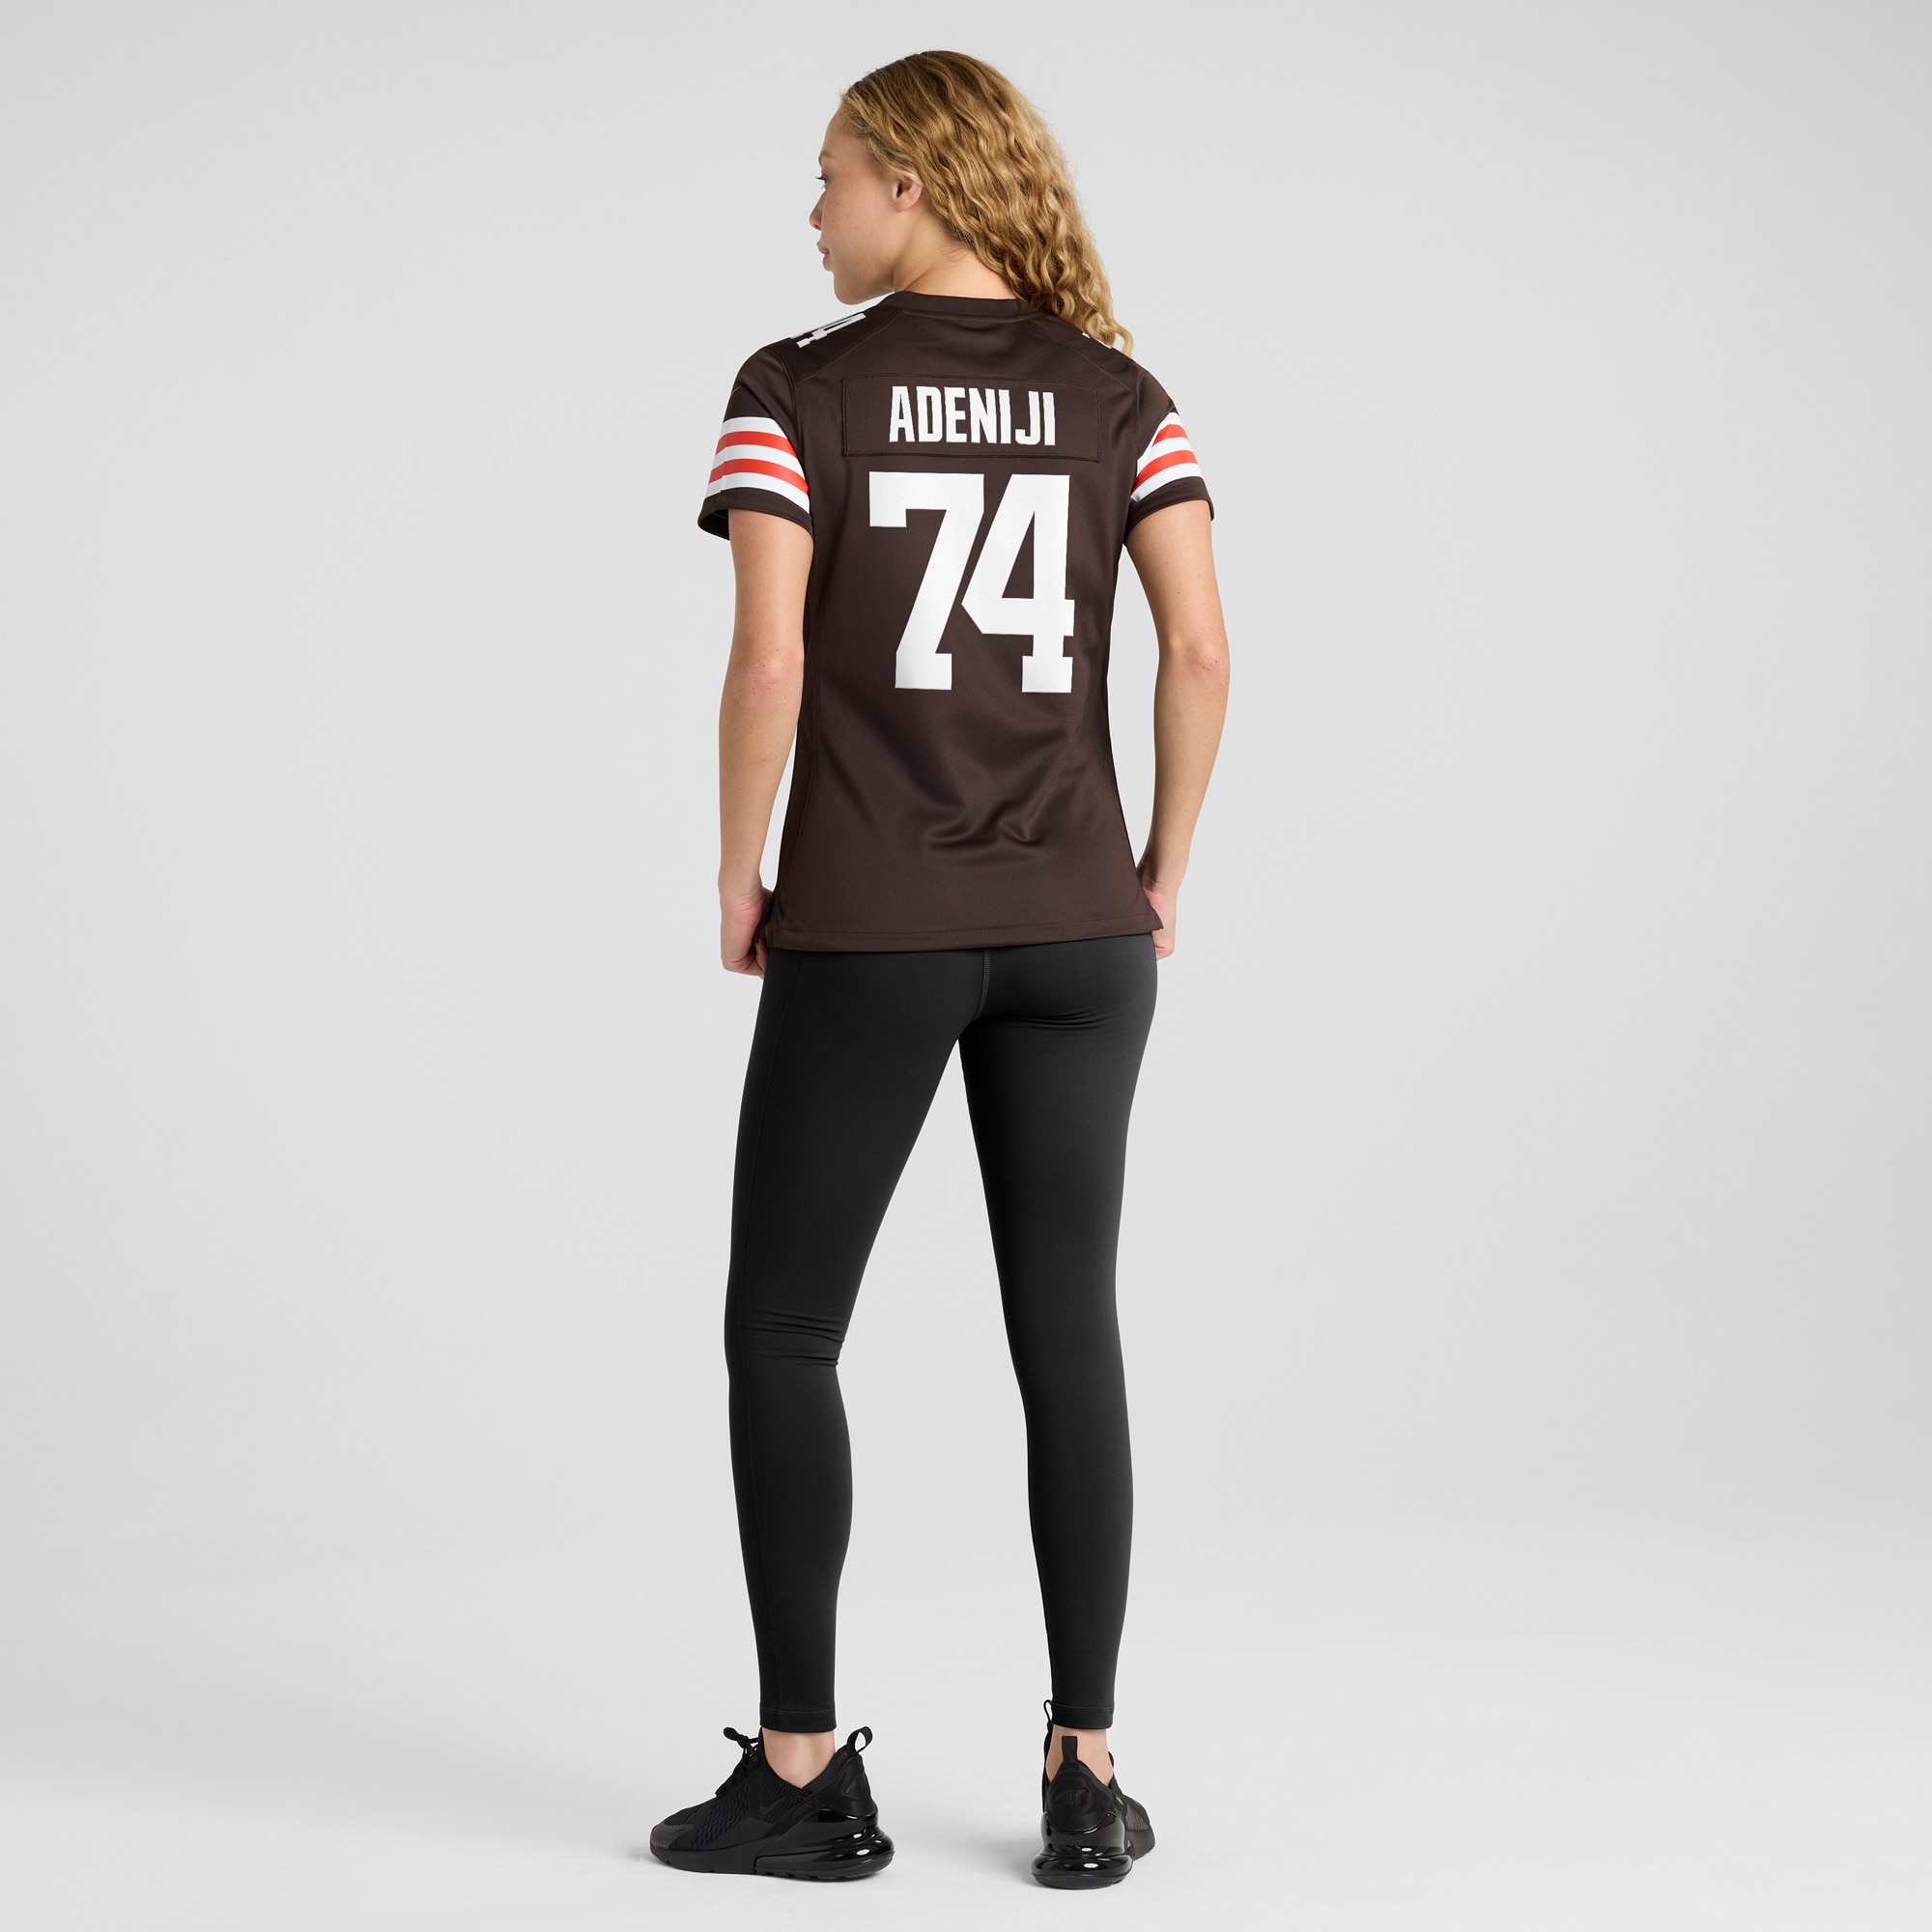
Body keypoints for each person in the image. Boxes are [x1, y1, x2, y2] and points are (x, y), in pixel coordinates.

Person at [648, 50, 1229, 1889]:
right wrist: (1157, 869)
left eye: (830, 172)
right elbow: (1200, 654)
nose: (812, 208)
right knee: (1069, 1331)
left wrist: (738, 871)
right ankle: (1086, 1771)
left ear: (911, 181)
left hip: (872, 923)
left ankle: (803, 1777)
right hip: (1082, 930)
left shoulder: (792, 390)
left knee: (785, 1328)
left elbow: (767, 664)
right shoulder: (1121, 396)